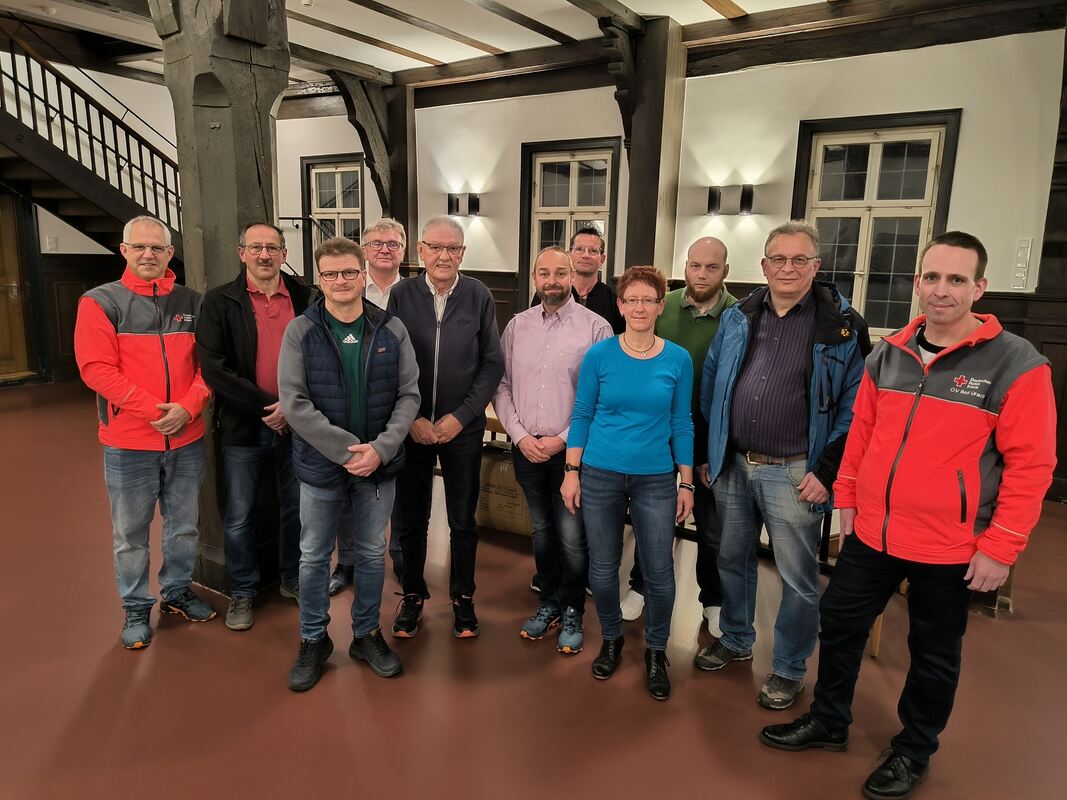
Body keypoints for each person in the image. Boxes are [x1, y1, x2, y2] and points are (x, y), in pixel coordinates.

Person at [761, 231, 1057, 800]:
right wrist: (848, 502)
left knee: (934, 653)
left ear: (979, 288)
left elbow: (1032, 465)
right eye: (933, 277)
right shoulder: (889, 352)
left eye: (957, 279)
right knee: (839, 623)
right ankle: (829, 720)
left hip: (951, 544)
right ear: (918, 282)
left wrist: (1001, 547)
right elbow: (861, 434)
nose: (942, 290)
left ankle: (913, 750)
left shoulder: (1017, 364)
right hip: (874, 531)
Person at [697, 220, 869, 712]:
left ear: (816, 266)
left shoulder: (841, 324)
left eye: (799, 260)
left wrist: (827, 471)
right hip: (734, 463)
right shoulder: (740, 315)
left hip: (796, 472)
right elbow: (713, 381)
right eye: (778, 259)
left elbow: (855, 406)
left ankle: (790, 667)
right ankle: (736, 638)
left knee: (797, 578)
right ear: (764, 265)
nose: (787, 268)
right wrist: (711, 450)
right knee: (732, 560)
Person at [278, 237, 420, 692]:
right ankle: (313, 639)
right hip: (320, 467)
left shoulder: (391, 328)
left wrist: (380, 448)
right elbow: (294, 403)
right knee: (314, 556)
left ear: (363, 275)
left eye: (348, 272)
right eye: (330, 274)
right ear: (320, 280)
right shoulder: (301, 331)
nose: (340, 280)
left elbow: (409, 395)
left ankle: (366, 634)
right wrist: (347, 450)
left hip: (378, 465)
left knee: (373, 553)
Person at [74, 215, 215, 650]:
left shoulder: (192, 302)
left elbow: (208, 367)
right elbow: (96, 370)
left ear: (170, 253)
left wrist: (188, 407)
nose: (148, 254)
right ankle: (136, 606)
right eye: (140, 247)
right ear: (125, 250)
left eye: (157, 248)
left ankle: (176, 592)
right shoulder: (100, 302)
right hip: (129, 443)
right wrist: (157, 411)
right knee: (130, 534)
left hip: (187, 438)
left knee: (184, 526)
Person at [563, 266, 695, 700]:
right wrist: (571, 471)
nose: (640, 307)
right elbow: (582, 413)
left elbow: (682, 421)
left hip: (655, 477)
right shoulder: (600, 355)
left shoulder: (678, 359)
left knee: (659, 569)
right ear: (620, 306)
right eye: (632, 300)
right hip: (600, 472)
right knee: (602, 567)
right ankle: (612, 637)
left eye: (648, 300)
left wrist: (687, 483)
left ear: (660, 307)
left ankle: (656, 650)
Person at [387, 215, 505, 639]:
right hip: (413, 427)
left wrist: (462, 416)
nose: (443, 256)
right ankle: (412, 594)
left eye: (452, 248)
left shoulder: (478, 295)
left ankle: (463, 597)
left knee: (463, 521)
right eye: (435, 247)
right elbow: (388, 360)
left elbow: (492, 363)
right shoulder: (401, 295)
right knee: (411, 519)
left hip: (462, 430)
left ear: (462, 253)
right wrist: (412, 418)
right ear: (420, 250)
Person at [197, 222, 315, 631]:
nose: (264, 255)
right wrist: (269, 406)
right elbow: (215, 368)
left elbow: (318, 357)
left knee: (295, 508)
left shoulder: (305, 296)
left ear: (284, 254)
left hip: (298, 425)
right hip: (244, 426)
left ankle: (291, 579)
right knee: (240, 514)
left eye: (272, 247)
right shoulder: (220, 301)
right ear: (241, 252)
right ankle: (243, 590)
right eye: (256, 247)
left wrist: (292, 408)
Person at [494, 246, 612, 654]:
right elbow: (502, 385)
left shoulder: (596, 328)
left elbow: (600, 397)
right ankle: (549, 603)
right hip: (526, 448)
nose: (552, 281)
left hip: (571, 453)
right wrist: (520, 436)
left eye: (560, 272)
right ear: (534, 278)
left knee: (572, 537)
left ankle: (573, 609)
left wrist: (562, 439)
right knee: (542, 531)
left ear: (572, 276)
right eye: (544, 273)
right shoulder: (517, 326)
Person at [622, 237, 736, 635]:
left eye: (711, 267)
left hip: (708, 432)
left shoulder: (739, 315)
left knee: (711, 524)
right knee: (651, 516)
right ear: (684, 266)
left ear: (725, 271)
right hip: (656, 426)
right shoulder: (662, 304)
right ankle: (640, 586)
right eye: (694, 265)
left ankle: (713, 600)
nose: (701, 274)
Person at [329, 217, 407, 596]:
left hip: (397, 409)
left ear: (404, 250)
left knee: (399, 491)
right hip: (348, 410)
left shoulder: (414, 294)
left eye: (392, 244)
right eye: (376, 243)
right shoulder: (344, 289)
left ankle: (400, 556)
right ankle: (347, 561)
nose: (384, 250)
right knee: (348, 490)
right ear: (364, 251)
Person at [531, 227, 623, 334]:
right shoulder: (549, 293)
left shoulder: (612, 299)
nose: (586, 255)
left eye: (593, 251)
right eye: (579, 249)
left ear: (602, 259)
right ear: (569, 255)